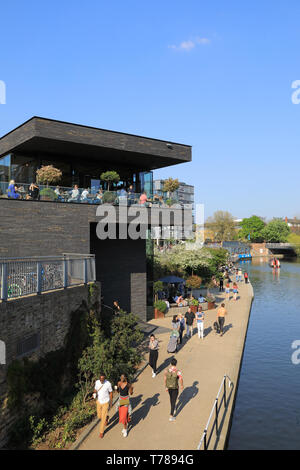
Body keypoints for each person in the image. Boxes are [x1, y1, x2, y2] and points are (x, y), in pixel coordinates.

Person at [93, 373, 113, 438]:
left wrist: (111, 402)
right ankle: (106, 417)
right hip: (99, 401)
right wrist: (94, 393)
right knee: (99, 416)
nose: (101, 380)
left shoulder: (108, 384)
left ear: (105, 378)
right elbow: (95, 389)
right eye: (100, 379)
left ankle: (101, 432)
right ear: (99, 378)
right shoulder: (97, 382)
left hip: (105, 402)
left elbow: (110, 392)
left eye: (103, 379)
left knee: (103, 418)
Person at [164, 358, 184, 422]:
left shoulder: (167, 370)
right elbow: (180, 379)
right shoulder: (178, 371)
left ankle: (173, 407)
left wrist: (166, 386)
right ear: (176, 363)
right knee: (174, 400)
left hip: (169, 387)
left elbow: (165, 378)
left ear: (171, 363)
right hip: (175, 387)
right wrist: (181, 385)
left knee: (171, 398)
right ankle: (171, 415)